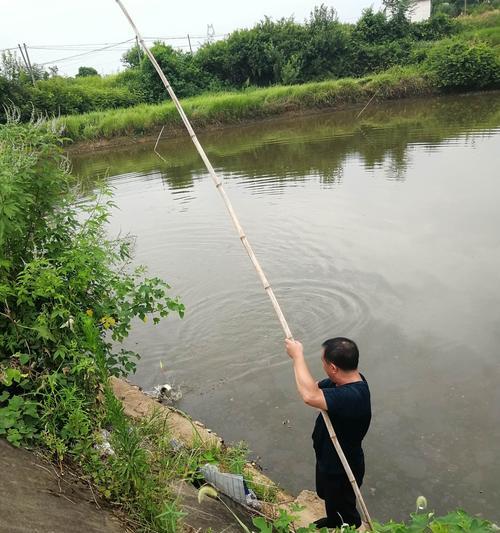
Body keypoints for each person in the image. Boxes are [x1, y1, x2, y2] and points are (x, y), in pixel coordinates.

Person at [285, 337, 371, 530]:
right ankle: (333, 520)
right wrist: (297, 364)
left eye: (323, 362)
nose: (322, 366)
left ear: (333, 368)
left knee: (343, 506)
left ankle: (348, 526)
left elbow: (309, 396)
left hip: (342, 465)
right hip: (328, 454)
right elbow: (312, 389)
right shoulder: (341, 381)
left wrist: (297, 357)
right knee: (328, 495)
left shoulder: (353, 396)